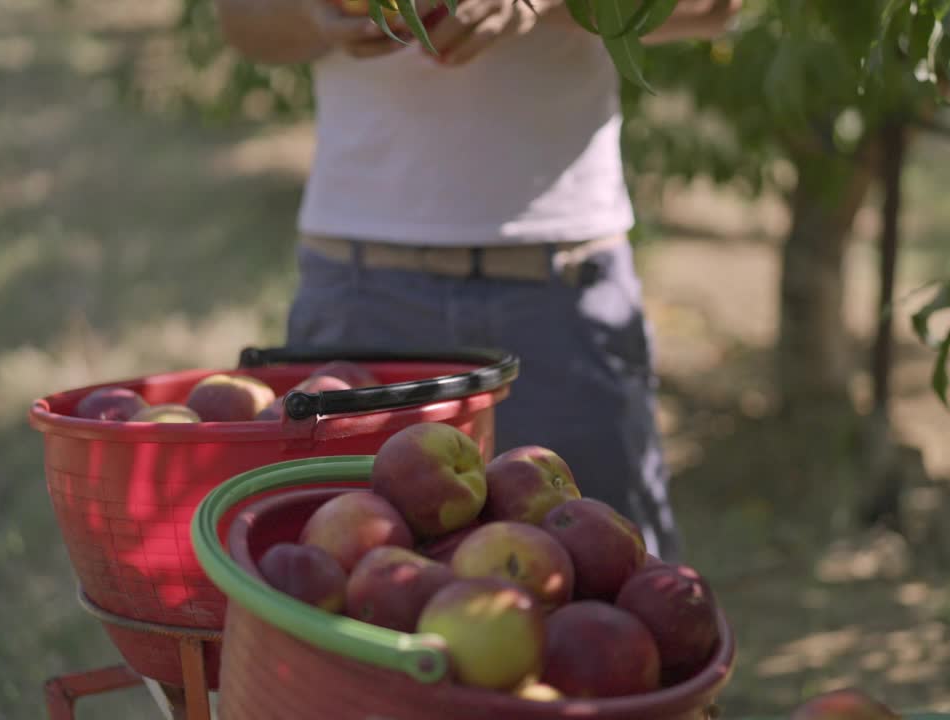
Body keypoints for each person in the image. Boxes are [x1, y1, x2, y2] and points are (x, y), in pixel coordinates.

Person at [213, 0, 741, 563]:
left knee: (614, 588)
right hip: (359, 288)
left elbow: (715, 8)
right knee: (336, 594)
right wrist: (316, 18)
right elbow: (241, 17)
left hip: (558, 287)